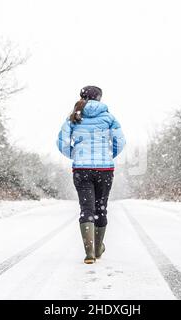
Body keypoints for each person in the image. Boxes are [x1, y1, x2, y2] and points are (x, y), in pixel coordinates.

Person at [56, 85, 126, 264]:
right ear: (99, 98)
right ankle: (97, 248)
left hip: (81, 169)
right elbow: (120, 141)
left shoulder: (74, 117)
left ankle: (89, 253)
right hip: (105, 170)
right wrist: (109, 155)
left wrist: (75, 155)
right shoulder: (109, 118)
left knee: (87, 209)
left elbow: (62, 142)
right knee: (101, 207)